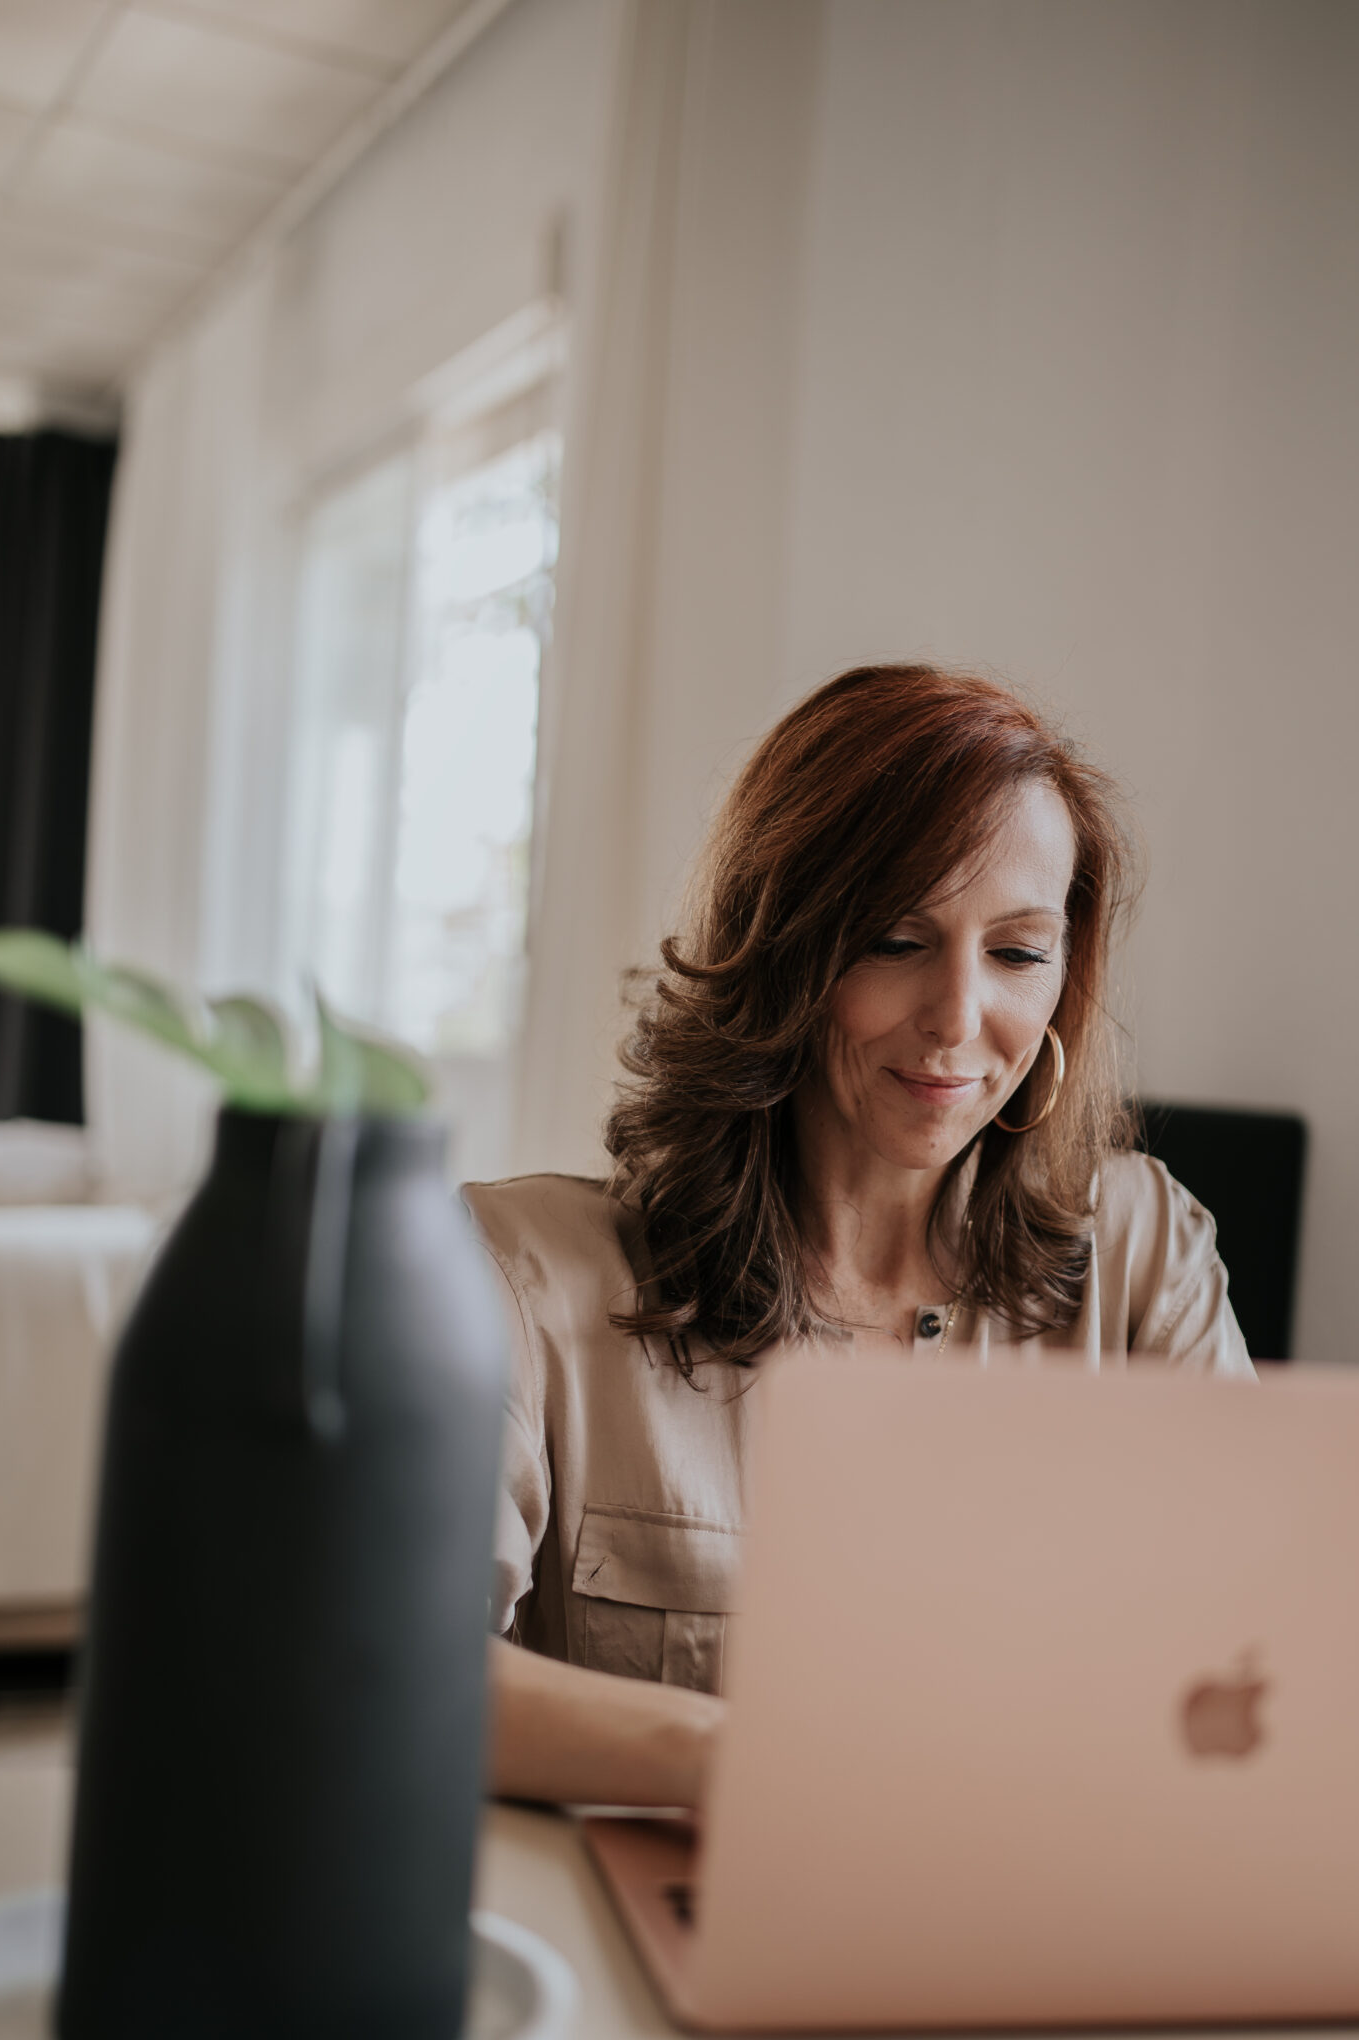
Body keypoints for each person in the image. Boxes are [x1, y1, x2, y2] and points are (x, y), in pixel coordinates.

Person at [467, 664, 1253, 1810]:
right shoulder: (520, 1276)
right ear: (780, 950)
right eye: (894, 939)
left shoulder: (1145, 1256)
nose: (956, 1019)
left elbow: (1254, 1645)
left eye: (1019, 954)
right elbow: (395, 1670)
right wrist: (750, 1766)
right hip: (667, 1951)